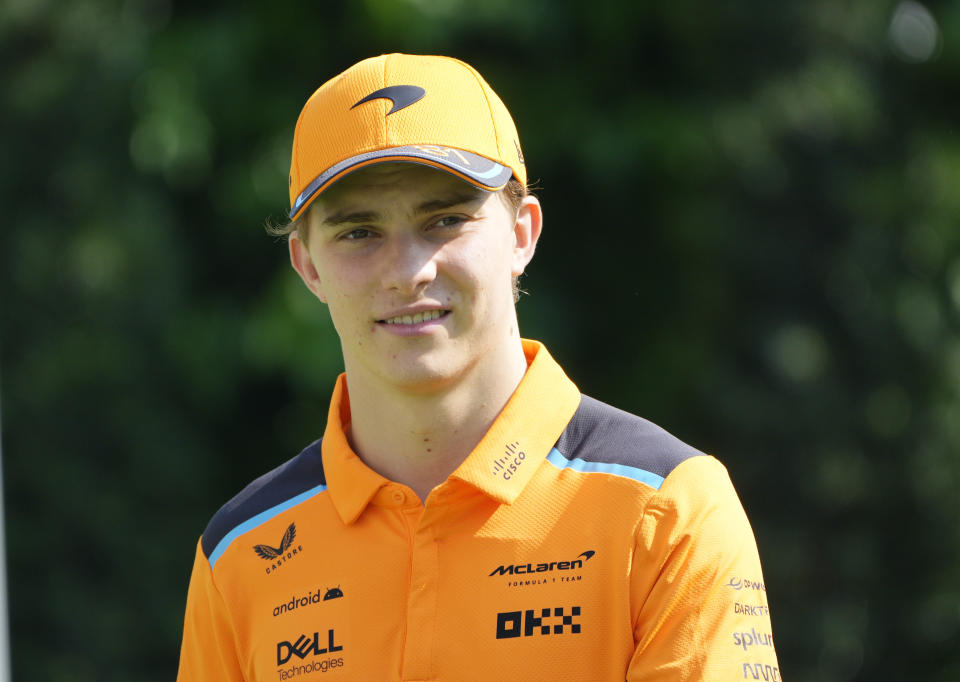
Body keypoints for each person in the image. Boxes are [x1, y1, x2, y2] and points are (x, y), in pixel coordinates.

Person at [177, 53, 780, 681]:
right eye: (359, 232)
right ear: (307, 266)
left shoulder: (667, 508)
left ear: (522, 233)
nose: (408, 271)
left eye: (445, 220)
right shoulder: (240, 552)